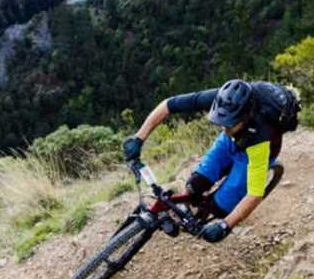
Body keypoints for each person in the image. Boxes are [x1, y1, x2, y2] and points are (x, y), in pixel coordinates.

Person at [122, 79, 297, 244]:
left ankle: (209, 212)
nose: (223, 127)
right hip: (233, 140)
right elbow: (168, 105)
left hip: (256, 150)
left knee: (219, 207)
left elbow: (255, 194)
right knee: (195, 184)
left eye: (228, 124)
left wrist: (225, 225)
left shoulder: (261, 138)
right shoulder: (223, 99)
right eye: (222, 122)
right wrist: (139, 138)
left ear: (245, 118)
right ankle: (193, 203)